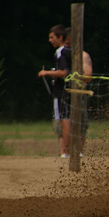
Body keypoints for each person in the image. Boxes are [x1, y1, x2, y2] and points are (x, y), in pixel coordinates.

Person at [38, 24, 72, 158]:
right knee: (67, 118)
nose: (50, 40)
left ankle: (65, 152)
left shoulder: (60, 51)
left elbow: (64, 72)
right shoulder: (70, 51)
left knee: (63, 120)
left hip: (61, 92)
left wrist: (46, 72)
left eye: (52, 37)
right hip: (70, 90)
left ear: (60, 37)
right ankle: (67, 152)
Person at [65, 27, 93, 156]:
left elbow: (88, 76)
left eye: (69, 43)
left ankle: (79, 151)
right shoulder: (63, 55)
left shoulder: (83, 56)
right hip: (65, 95)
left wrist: (73, 75)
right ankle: (65, 152)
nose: (67, 46)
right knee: (64, 123)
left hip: (79, 94)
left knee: (81, 123)